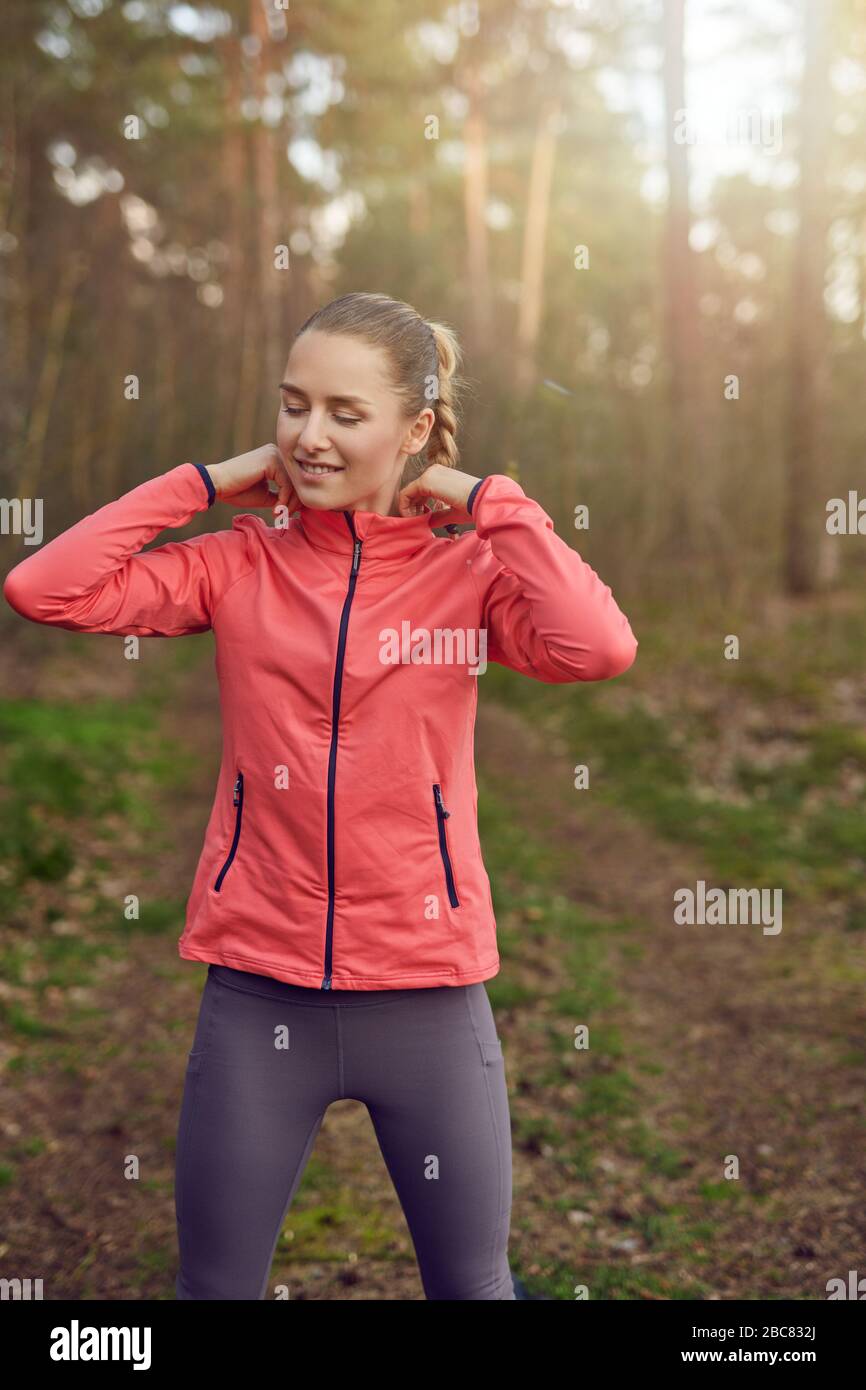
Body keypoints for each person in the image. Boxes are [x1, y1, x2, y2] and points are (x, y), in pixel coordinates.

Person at [3, 291, 638, 1300]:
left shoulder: (468, 575)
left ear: (414, 428)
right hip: (259, 991)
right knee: (214, 1289)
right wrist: (203, 484)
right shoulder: (237, 561)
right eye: (293, 405)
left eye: (346, 413)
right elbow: (48, 587)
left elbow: (596, 645)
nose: (307, 436)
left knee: (473, 1287)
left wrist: (490, 501)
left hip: (426, 987)